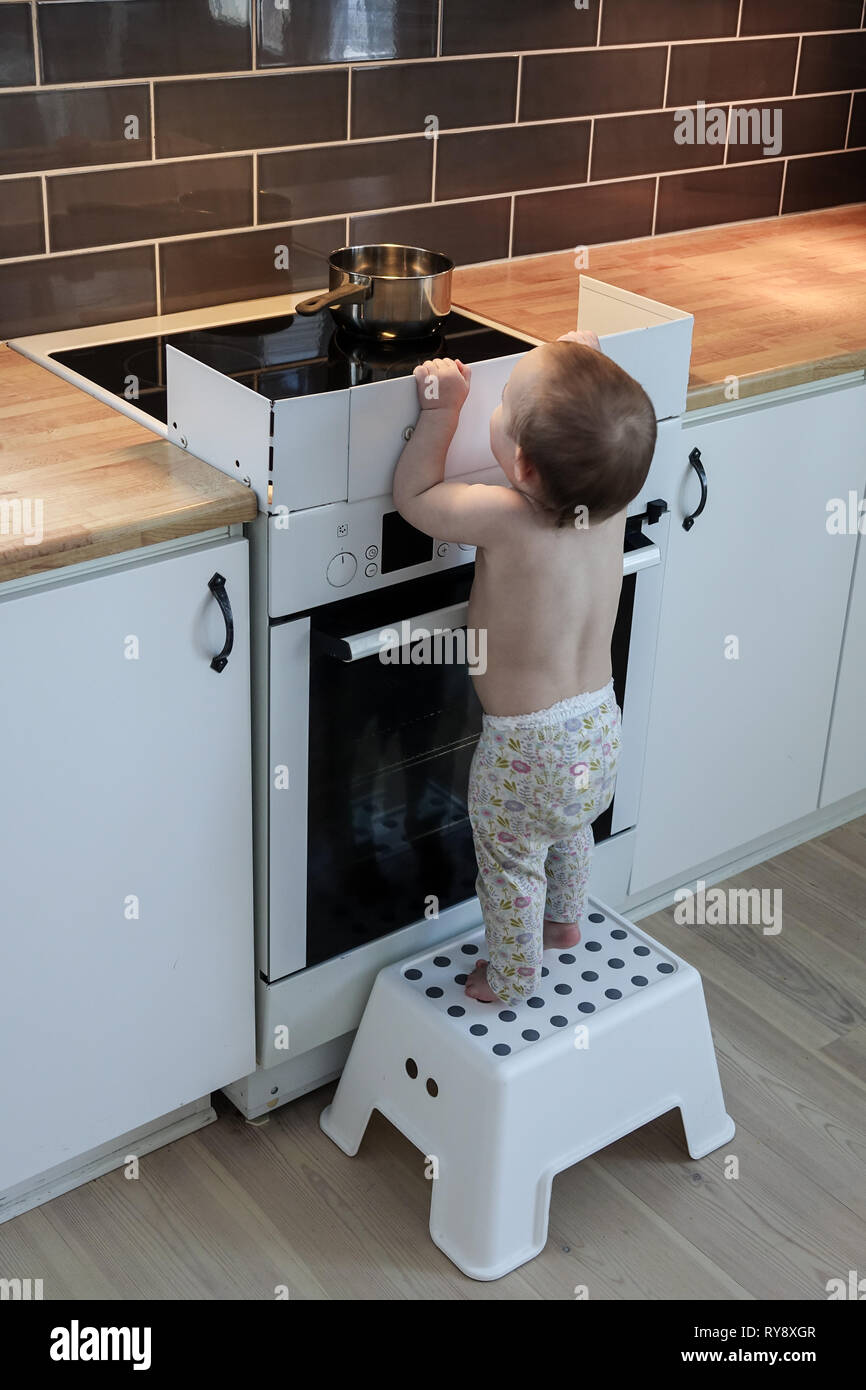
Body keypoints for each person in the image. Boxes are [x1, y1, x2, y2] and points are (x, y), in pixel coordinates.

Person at [392, 331, 656, 1004]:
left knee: (510, 865)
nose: (495, 402)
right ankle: (564, 922)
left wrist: (442, 411)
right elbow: (600, 433)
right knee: (569, 826)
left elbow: (415, 496)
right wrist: (582, 363)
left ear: (524, 467)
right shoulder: (612, 503)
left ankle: (510, 976)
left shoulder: (506, 516)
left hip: (525, 751)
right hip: (599, 726)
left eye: (502, 401)